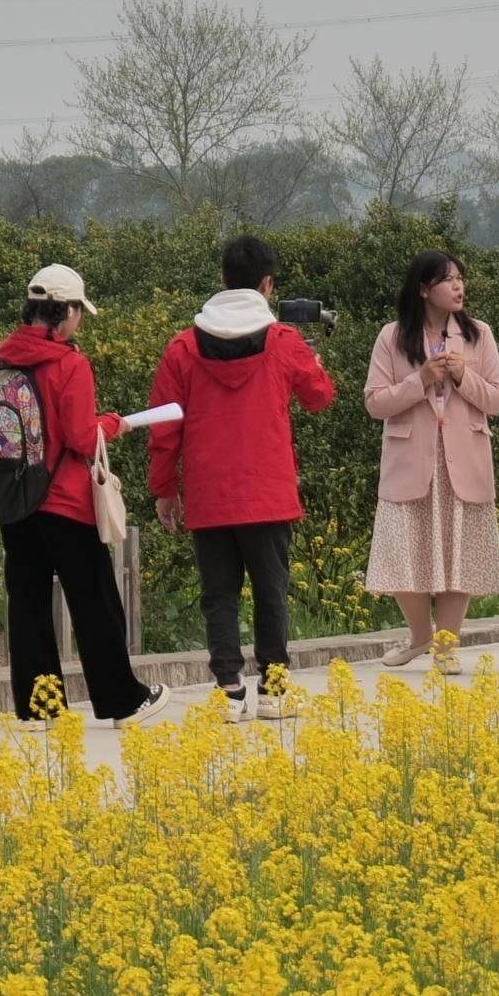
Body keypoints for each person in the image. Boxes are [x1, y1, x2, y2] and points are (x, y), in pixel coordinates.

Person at [146, 233, 335, 713]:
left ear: (223, 280)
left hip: (209, 492)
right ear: (267, 284)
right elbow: (320, 397)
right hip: (267, 491)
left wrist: (165, 489)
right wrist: (314, 361)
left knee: (218, 595)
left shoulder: (183, 347)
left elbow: (165, 426)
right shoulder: (284, 341)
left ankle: (228, 689)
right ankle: (273, 690)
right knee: (271, 593)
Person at [0, 264, 155, 722]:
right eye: (78, 311)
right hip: (64, 501)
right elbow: (81, 438)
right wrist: (114, 423)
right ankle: (122, 699)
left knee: (28, 603)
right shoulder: (71, 365)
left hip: (16, 500)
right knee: (94, 601)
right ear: (66, 311)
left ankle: (39, 708)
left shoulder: (3, 359)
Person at [363, 251, 499, 668]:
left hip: (463, 458)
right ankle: (420, 637)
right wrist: (421, 379)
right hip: (411, 460)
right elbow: (375, 403)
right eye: (448, 280)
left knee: (457, 554)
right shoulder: (392, 336)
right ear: (424, 289)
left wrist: (463, 376)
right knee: (400, 552)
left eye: (461, 278)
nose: (459, 287)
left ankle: (446, 648)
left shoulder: (479, 334)